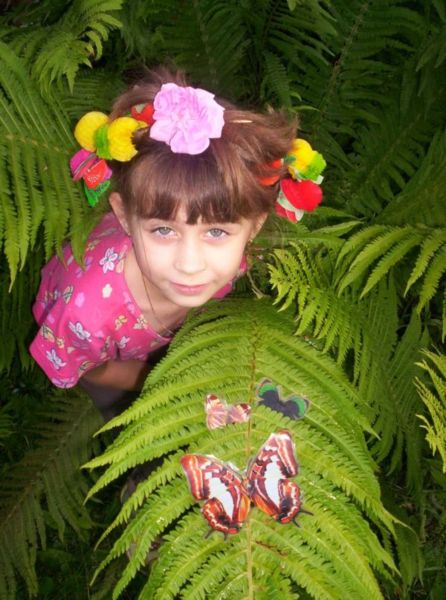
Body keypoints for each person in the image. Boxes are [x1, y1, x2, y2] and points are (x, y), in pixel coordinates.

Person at [29, 66, 300, 422]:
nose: (190, 264)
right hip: (108, 359)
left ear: (254, 228)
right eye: (163, 230)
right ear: (124, 217)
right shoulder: (86, 314)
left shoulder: (237, 260)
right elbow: (93, 370)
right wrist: (167, 382)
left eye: (216, 233)